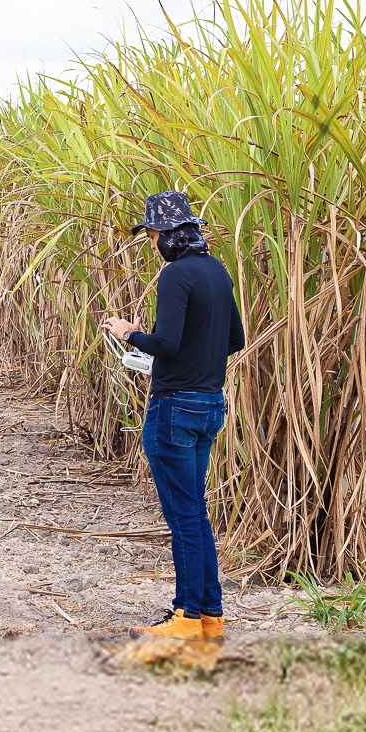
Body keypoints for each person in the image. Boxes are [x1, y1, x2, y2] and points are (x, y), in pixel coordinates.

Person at [106, 189, 241, 671]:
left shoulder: (175, 274)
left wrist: (128, 333)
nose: (153, 242)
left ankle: (185, 618)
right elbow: (235, 340)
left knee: (184, 516)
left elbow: (164, 342)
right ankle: (210, 620)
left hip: (173, 409)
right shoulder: (218, 272)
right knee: (196, 512)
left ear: (167, 236)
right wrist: (194, 361)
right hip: (210, 404)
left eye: (154, 234)